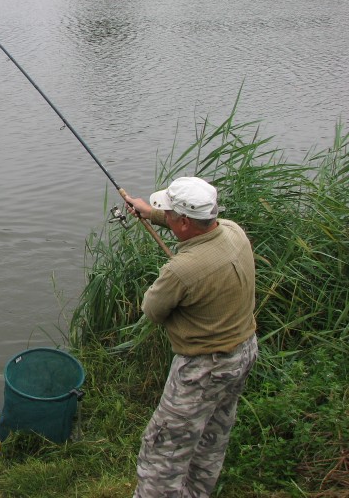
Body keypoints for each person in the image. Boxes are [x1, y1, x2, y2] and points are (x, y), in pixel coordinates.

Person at [123, 176, 258, 497]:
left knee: (164, 451)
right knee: (211, 439)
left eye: (169, 213)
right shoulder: (234, 232)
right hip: (244, 352)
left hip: (203, 369)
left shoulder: (181, 270)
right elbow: (196, 231)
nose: (166, 216)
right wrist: (149, 212)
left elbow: (152, 310)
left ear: (183, 221)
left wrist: (181, 271)